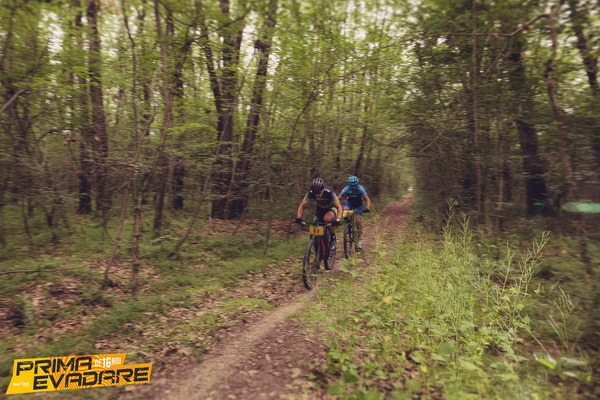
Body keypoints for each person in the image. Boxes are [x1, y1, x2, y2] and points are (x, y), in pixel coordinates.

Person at [295, 177, 343, 250]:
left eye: (319, 193)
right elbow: (302, 205)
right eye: (315, 193)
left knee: (327, 219)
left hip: (331, 207)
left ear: (323, 190)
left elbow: (339, 207)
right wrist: (299, 218)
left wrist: (338, 220)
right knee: (315, 224)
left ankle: (333, 237)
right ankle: (318, 244)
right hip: (320, 208)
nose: (317, 195)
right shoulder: (310, 193)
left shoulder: (329, 192)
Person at [338, 175, 371, 250]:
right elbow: (338, 198)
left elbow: (367, 199)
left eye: (355, 185)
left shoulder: (361, 189)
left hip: (359, 205)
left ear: (357, 184)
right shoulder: (346, 188)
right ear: (349, 185)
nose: (353, 187)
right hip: (349, 203)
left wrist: (367, 208)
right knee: (345, 209)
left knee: (358, 221)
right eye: (352, 186)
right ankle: (348, 224)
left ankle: (359, 239)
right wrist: (335, 204)